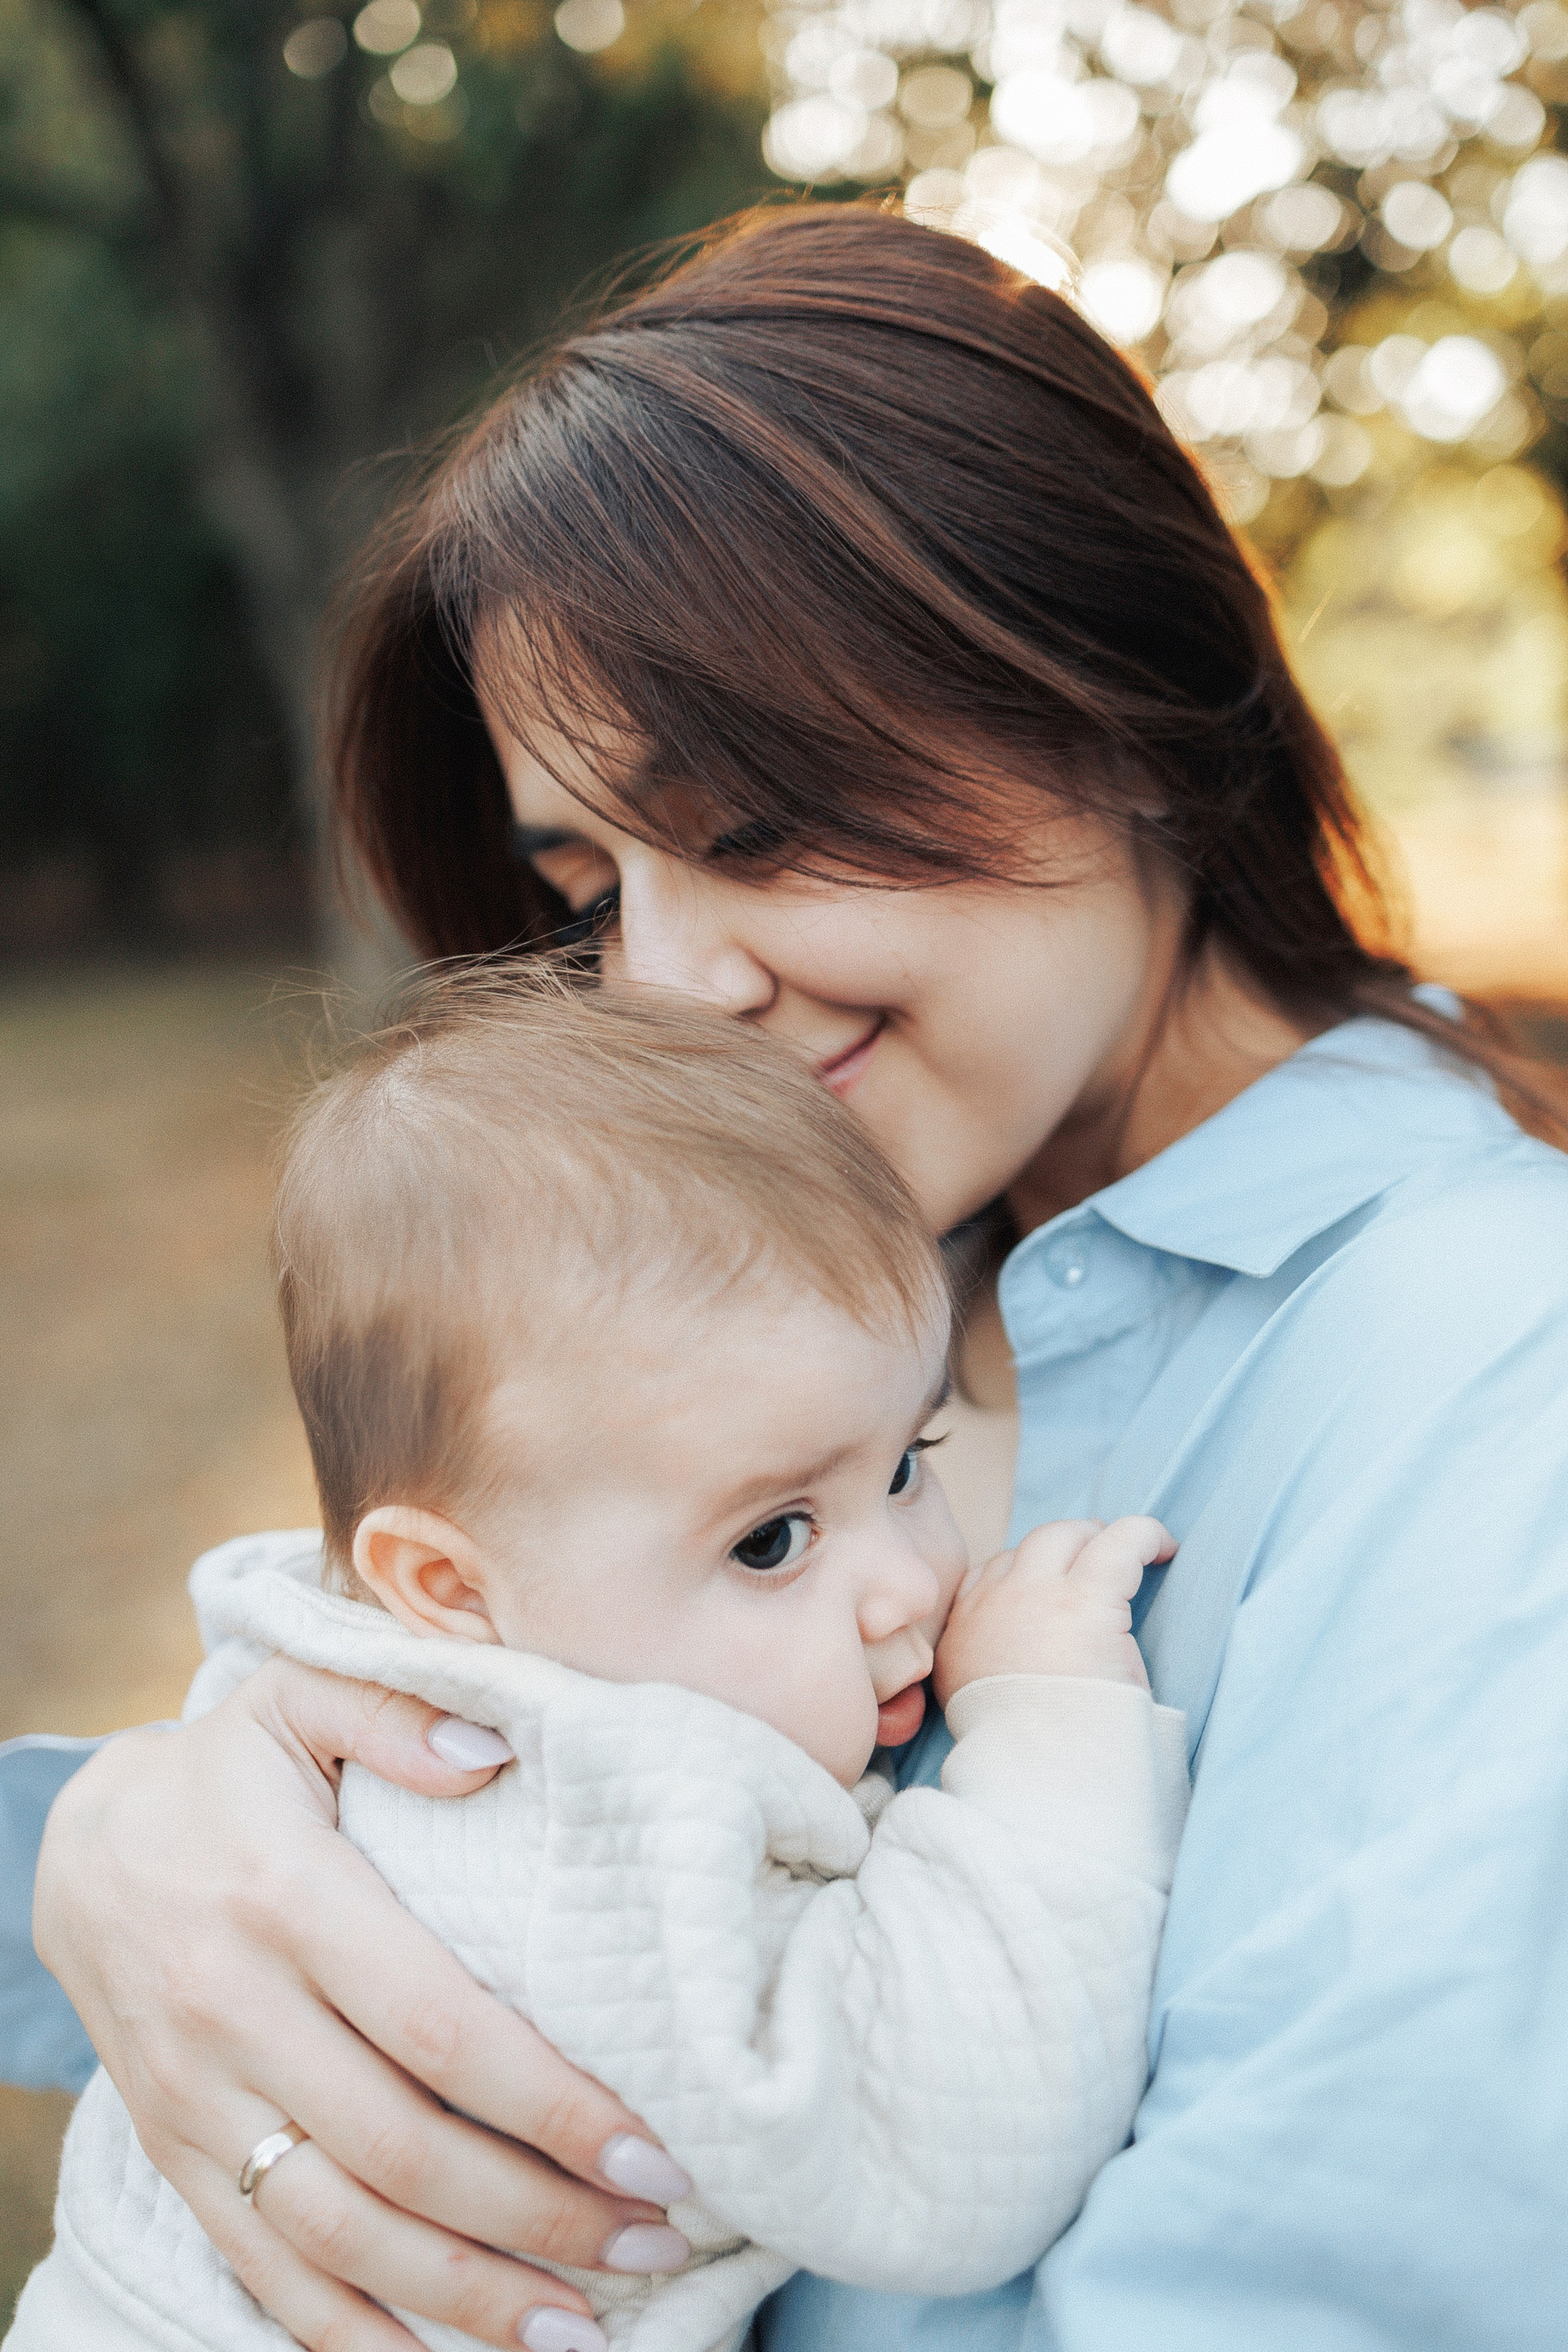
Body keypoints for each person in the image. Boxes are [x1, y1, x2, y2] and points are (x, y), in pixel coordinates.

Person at [11, 202, 1568, 2351]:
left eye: (747, 828)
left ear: (1115, 706)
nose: (663, 983)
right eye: (588, 888)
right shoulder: (807, 1278)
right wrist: (117, 1843)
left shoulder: (1500, 1388)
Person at [9, 972, 1186, 2351]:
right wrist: (1049, 1722)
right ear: (446, 1587)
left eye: (907, 1463)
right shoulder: (582, 1830)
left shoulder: (388, 1675)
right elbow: (938, 2151)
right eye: (772, 1541)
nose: (909, 1583)